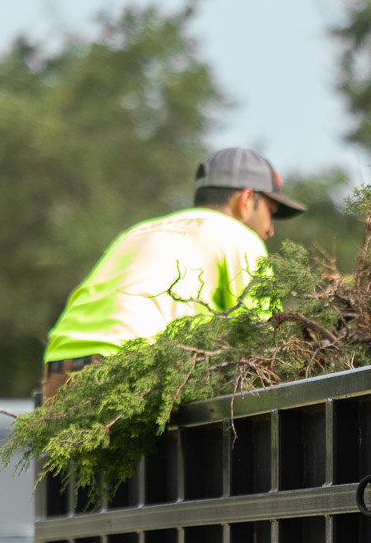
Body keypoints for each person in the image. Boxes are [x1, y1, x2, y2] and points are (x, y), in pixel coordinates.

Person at [41, 147, 306, 398]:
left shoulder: (139, 230)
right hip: (131, 365)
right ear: (246, 200)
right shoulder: (240, 237)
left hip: (59, 366)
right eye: (270, 213)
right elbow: (263, 341)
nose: (270, 229)